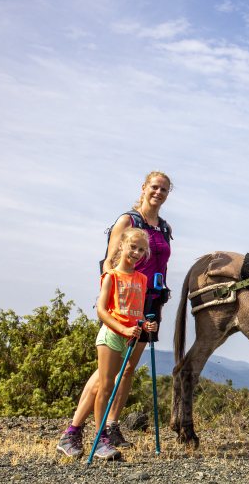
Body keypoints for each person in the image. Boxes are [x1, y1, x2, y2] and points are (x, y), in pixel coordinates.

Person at [57, 171, 173, 458]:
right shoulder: (127, 221)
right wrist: (113, 301)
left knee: (129, 368)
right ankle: (73, 432)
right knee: (107, 373)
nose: (158, 193)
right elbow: (109, 262)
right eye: (154, 187)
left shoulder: (164, 227)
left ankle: (110, 426)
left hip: (149, 303)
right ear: (144, 188)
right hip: (122, 306)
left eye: (164, 190)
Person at [58, 227, 158, 460]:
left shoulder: (142, 279)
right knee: (105, 387)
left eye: (141, 250)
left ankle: (78, 436)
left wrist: (146, 325)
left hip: (128, 338)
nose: (136, 253)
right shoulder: (111, 276)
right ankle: (100, 439)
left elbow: (136, 312)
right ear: (121, 246)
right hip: (111, 336)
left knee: (108, 385)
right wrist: (123, 329)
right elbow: (102, 311)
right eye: (133, 247)